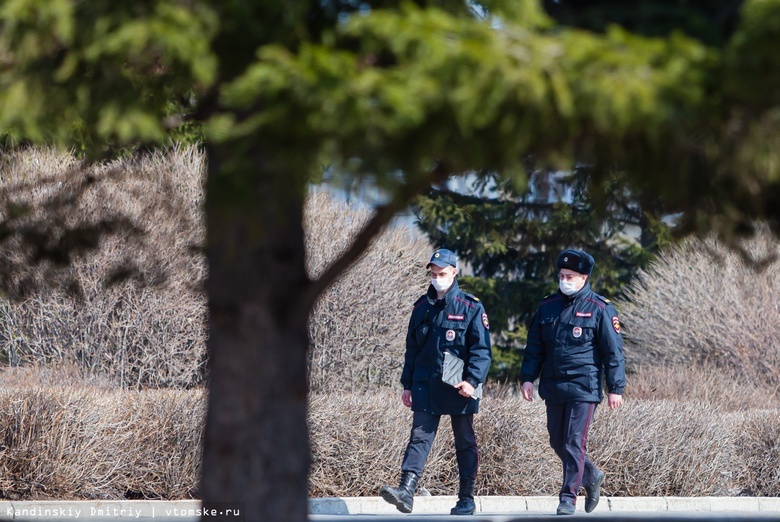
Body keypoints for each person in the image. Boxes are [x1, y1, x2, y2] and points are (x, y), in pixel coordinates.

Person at [380, 248, 492, 515]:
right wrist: (407, 384)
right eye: (433, 273)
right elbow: (412, 349)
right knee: (419, 437)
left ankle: (466, 498)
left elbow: (482, 350)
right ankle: (406, 491)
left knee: (464, 441)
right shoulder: (421, 307)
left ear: (454, 272)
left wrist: (472, 381)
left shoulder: (470, 306)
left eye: (442, 273)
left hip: (459, 385)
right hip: (426, 383)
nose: (437, 278)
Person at [519, 249, 625, 516]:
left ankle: (568, 498)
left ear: (583, 278)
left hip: (584, 387)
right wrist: (527, 378)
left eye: (570, 276)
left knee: (573, 441)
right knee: (557, 441)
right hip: (554, 386)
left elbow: (613, 352)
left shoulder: (600, 307)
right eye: (561, 275)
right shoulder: (547, 306)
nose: (564, 279)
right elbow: (534, 347)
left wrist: (615, 388)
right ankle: (591, 475)